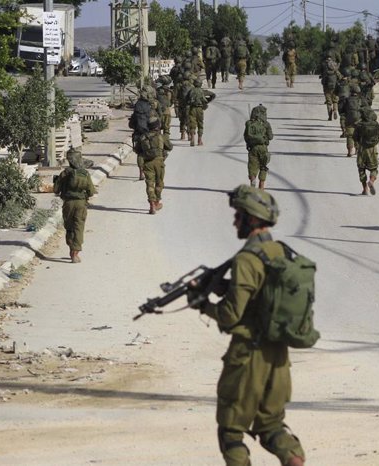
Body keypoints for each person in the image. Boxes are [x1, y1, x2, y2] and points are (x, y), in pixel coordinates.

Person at [187, 185, 306, 466]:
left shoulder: (246, 259)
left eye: (238, 215)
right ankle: (294, 460)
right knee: (271, 427)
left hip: (247, 356)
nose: (234, 221)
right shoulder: (281, 252)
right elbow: (263, 293)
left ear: (252, 219)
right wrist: (224, 286)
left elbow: (230, 314)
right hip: (277, 355)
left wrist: (202, 305)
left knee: (231, 431)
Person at [53, 147, 96, 263]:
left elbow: (56, 190)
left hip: (68, 204)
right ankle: (75, 253)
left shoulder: (64, 173)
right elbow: (91, 191)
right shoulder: (85, 173)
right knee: (79, 227)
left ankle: (71, 248)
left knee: (69, 227)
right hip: (81, 204)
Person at [139, 115, 169, 214]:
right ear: (157, 126)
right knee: (159, 183)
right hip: (159, 162)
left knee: (150, 184)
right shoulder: (161, 136)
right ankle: (156, 202)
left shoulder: (143, 137)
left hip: (148, 163)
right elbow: (170, 147)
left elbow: (138, 150)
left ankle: (151, 204)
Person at [353, 108, 379, 195]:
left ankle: (365, 189)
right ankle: (371, 181)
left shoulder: (360, 125)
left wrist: (360, 142)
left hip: (362, 149)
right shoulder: (376, 125)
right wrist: (374, 143)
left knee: (361, 168)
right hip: (372, 149)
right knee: (374, 168)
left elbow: (355, 137)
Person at [132, 84, 158, 180]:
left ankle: (141, 173)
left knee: (140, 152)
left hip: (139, 131)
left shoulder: (138, 105)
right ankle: (152, 170)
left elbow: (132, 122)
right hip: (150, 130)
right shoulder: (151, 105)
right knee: (154, 149)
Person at [244, 104, 274, 189]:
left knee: (252, 166)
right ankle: (261, 186)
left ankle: (253, 181)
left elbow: (246, 136)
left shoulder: (249, 123)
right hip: (263, 148)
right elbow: (271, 137)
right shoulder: (266, 124)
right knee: (263, 166)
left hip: (253, 148)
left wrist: (249, 143)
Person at [343, 84, 364, 157]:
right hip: (359, 119)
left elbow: (342, 110)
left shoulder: (347, 100)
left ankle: (350, 151)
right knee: (358, 134)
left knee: (350, 136)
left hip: (349, 119)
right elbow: (366, 109)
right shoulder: (361, 100)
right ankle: (357, 149)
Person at [186, 78, 208, 147]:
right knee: (200, 124)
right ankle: (199, 140)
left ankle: (192, 138)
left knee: (192, 124)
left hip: (192, 108)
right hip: (199, 109)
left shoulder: (191, 91)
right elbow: (204, 100)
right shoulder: (201, 91)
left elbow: (187, 99)